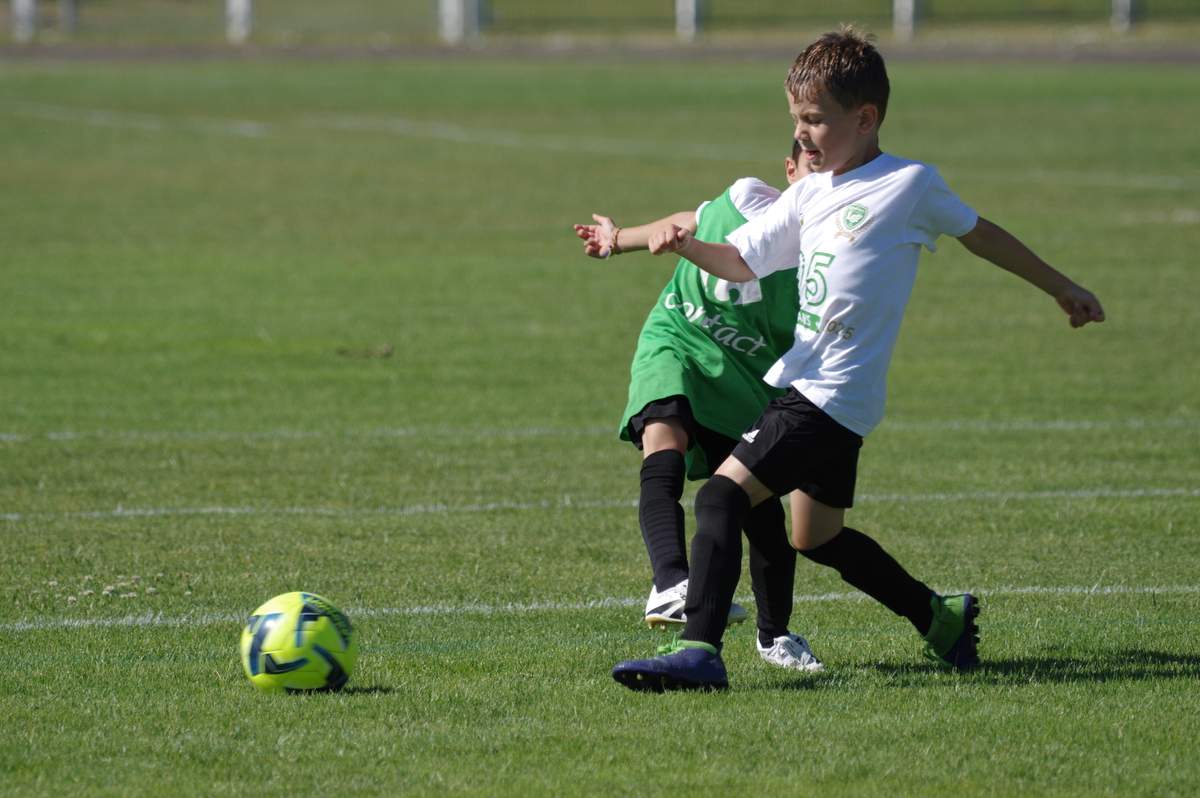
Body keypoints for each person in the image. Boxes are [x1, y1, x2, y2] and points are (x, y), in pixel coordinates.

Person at [611, 28, 1105, 692]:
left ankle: (699, 651)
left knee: (722, 497)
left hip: (826, 394)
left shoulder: (909, 185)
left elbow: (981, 235)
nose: (802, 133)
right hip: (827, 394)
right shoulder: (809, 193)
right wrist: (683, 245)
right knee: (815, 536)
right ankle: (939, 619)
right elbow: (741, 260)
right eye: (796, 119)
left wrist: (1061, 287)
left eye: (815, 119)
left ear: (865, 118)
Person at [573, 141, 822, 672]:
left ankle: (775, 636)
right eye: (811, 166)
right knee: (663, 436)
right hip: (679, 338)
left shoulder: (828, 255)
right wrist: (619, 240)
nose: (821, 180)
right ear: (790, 169)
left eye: (835, 171)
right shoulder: (747, 197)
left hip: (747, 380)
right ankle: (669, 582)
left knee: (763, 518)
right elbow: (690, 220)